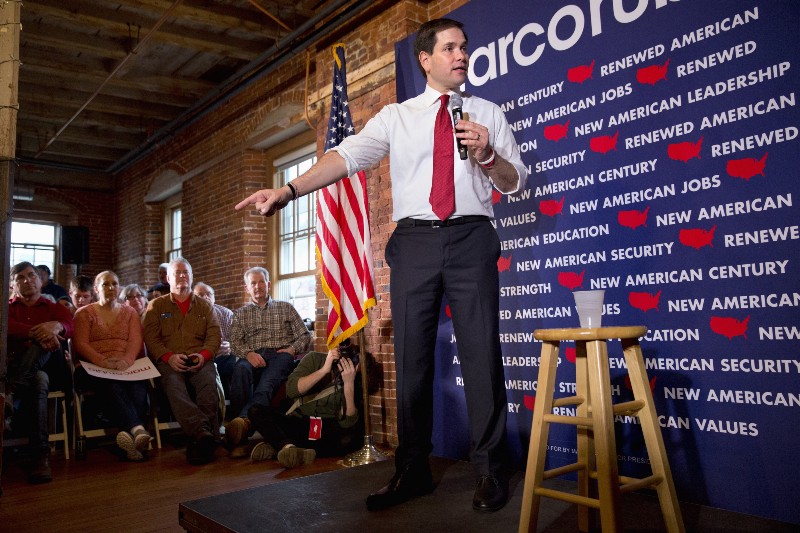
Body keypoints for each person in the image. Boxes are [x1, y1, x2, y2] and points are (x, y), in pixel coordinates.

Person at [235, 18, 527, 512]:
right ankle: (411, 470)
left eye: (464, 47)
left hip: (472, 238)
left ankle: (489, 471)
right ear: (426, 59)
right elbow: (344, 157)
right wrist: (287, 191)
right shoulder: (398, 116)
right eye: (450, 48)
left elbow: (513, 181)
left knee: (482, 358)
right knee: (411, 362)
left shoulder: (487, 113)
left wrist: (488, 153)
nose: (461, 55)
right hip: (414, 243)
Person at [143, 257, 221, 465]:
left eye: (186, 272)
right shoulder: (156, 306)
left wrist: (203, 356)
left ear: (192, 276)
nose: (182, 276)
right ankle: (205, 433)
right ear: (168, 278)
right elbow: (151, 338)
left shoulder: (205, 306)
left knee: (208, 387)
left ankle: (199, 439)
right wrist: (168, 357)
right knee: (174, 387)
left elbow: (214, 335)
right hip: (170, 362)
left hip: (199, 359)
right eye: (177, 272)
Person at [224, 267, 312, 454]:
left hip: (280, 354)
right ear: (247, 288)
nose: (257, 287)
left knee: (266, 384)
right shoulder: (241, 314)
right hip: (253, 354)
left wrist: (291, 349)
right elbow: (235, 343)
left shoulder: (285, 307)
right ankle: (239, 429)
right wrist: (248, 354)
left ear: (268, 284)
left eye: (261, 282)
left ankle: (243, 424)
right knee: (240, 370)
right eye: (253, 283)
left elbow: (304, 336)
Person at [72, 271, 152, 461]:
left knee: (138, 386)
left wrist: (126, 361)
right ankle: (138, 429)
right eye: (105, 284)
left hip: (125, 365)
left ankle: (131, 444)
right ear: (96, 289)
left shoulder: (130, 312)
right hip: (93, 367)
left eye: (115, 284)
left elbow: (135, 341)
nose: (111, 288)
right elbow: (81, 344)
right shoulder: (84, 313)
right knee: (112, 383)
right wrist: (103, 361)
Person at [7, 261, 74, 483]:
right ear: (13, 284)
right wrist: (37, 332)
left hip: (49, 367)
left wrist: (57, 327)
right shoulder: (8, 307)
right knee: (39, 380)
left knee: (45, 347)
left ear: (40, 279)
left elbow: (70, 323)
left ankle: (10, 394)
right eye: (20, 278)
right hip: (17, 368)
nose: (27, 280)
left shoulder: (51, 306)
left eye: (31, 275)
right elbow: (5, 326)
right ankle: (40, 458)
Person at [248, 342, 363, 468]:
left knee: (350, 440)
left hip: (323, 430)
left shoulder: (354, 381)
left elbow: (347, 424)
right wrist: (324, 370)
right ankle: (290, 448)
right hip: (298, 421)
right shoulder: (314, 359)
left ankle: (281, 447)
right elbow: (291, 390)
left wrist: (349, 384)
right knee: (255, 410)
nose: (348, 364)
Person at [193, 282, 235, 396]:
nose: (206, 297)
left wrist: (230, 346)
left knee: (237, 364)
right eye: (200, 295)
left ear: (214, 297)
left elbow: (238, 340)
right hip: (200, 358)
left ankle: (231, 405)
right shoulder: (188, 316)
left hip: (223, 357)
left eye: (209, 294)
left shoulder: (226, 314)